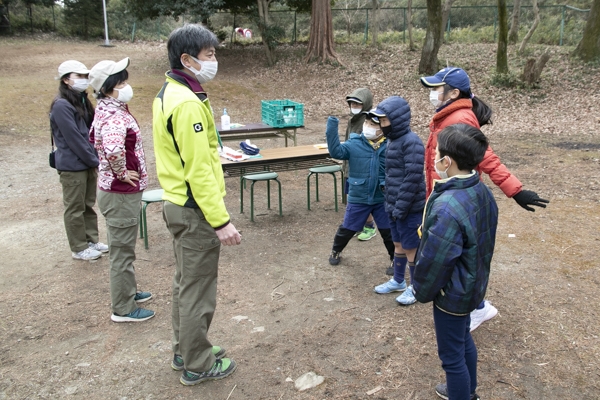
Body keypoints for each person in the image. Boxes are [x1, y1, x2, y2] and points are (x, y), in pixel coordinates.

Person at [420, 67, 549, 330]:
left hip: (455, 196)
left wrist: (514, 189)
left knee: (460, 255)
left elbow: (485, 156)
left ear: (454, 93)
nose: (432, 93)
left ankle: (476, 308)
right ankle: (474, 305)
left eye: (436, 88)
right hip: (445, 189)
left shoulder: (459, 118)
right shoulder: (447, 114)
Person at [152, 24, 241, 386]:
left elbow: (187, 149)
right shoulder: (187, 103)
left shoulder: (172, 91)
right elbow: (198, 173)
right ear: (186, 59)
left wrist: (216, 150)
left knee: (185, 283)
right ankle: (198, 364)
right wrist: (220, 221)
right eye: (209, 55)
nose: (214, 61)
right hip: (193, 210)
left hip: (177, 203)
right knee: (198, 288)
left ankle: (185, 350)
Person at [413, 124, 498, 400]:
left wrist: (421, 290)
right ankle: (468, 391)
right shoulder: (481, 191)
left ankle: (462, 393)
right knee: (462, 341)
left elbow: (436, 260)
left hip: (452, 295)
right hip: (473, 285)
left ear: (446, 161)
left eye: (436, 153)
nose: (434, 158)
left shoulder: (448, 206)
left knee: (451, 357)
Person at [89, 58, 154, 323]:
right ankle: (124, 308)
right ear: (108, 88)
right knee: (122, 252)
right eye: (122, 82)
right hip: (120, 193)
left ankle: (129, 292)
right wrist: (122, 173)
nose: (127, 86)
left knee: (124, 247)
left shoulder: (108, 108)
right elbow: (114, 149)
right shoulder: (114, 115)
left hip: (114, 192)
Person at [368, 96, 426, 306]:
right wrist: (390, 204)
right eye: (380, 122)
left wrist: (401, 206)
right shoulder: (393, 141)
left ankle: (416, 287)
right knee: (398, 244)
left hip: (409, 207)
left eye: (384, 121)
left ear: (397, 119)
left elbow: (412, 177)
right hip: (394, 205)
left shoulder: (412, 142)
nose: (382, 126)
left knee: (411, 247)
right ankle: (399, 281)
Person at [50, 60, 108, 261]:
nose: (84, 80)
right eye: (79, 76)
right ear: (66, 80)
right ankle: (78, 247)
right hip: (73, 165)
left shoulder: (82, 101)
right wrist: (94, 160)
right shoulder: (61, 105)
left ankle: (91, 240)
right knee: (75, 207)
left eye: (85, 76)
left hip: (87, 162)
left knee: (88, 204)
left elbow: (91, 131)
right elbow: (74, 138)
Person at [325, 114, 394, 269]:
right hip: (359, 196)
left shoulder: (390, 145)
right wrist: (332, 126)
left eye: (373, 125)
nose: (368, 126)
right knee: (348, 228)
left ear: (383, 128)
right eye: (367, 123)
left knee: (388, 231)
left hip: (381, 197)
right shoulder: (354, 143)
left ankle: (395, 259)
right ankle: (336, 250)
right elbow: (336, 152)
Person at [344, 89, 379, 243]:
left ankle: (369, 226)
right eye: (352, 103)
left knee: (363, 200)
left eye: (358, 103)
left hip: (362, 168)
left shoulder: (369, 120)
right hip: (350, 166)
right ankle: (356, 226)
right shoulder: (353, 119)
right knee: (353, 199)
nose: (354, 105)